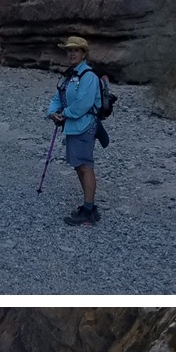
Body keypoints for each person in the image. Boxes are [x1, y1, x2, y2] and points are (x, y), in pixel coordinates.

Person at [47, 34, 106, 226]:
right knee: (79, 165)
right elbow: (58, 97)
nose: (72, 53)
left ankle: (88, 211)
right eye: (69, 50)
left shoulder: (88, 76)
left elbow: (83, 104)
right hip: (73, 126)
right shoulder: (69, 75)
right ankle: (89, 206)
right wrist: (51, 112)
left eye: (76, 50)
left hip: (84, 126)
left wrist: (63, 114)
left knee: (84, 166)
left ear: (83, 54)